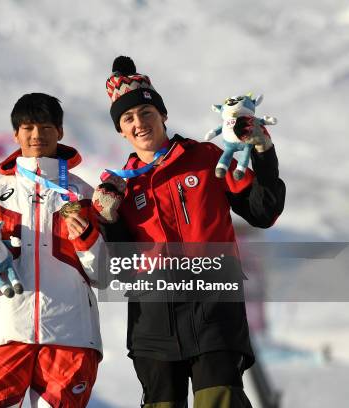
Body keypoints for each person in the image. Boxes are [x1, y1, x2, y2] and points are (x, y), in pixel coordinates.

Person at [94, 56, 286, 407]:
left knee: (220, 401)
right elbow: (119, 268)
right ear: (121, 130)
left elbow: (263, 211)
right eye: (128, 118)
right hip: (152, 324)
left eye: (146, 113)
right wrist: (110, 221)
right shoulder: (119, 188)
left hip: (214, 311)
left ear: (163, 115)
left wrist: (262, 150)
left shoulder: (207, 158)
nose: (139, 123)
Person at [0, 93, 106, 407]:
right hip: (5, 331)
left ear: (60, 131)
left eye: (45, 126)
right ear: (16, 134)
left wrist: (87, 240)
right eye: (28, 127)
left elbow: (103, 274)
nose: (37, 135)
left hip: (71, 333)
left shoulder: (82, 192)